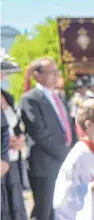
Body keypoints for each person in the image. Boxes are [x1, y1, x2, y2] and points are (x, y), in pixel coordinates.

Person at [20, 57, 72, 220]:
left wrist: (74, 150)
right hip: (45, 165)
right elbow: (39, 133)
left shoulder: (59, 97)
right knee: (44, 212)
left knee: (61, 209)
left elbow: (69, 125)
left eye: (57, 71)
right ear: (38, 75)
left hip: (64, 161)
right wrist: (65, 154)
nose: (56, 75)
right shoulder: (30, 99)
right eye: (52, 72)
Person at [1, 90, 28, 220]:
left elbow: (15, 125)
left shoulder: (7, 96)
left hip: (12, 160)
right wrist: (6, 141)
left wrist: (20, 138)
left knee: (15, 204)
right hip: (1, 161)